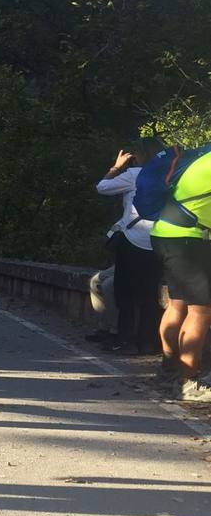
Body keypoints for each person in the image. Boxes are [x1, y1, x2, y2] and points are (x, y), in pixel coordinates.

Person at [149, 149, 211, 402]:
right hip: (187, 239)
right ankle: (188, 382)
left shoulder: (203, 158)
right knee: (201, 310)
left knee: (177, 304)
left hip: (165, 232)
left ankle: (168, 371)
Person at [95, 140, 163, 356]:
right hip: (157, 241)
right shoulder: (169, 175)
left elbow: (102, 187)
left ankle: (125, 341)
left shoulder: (134, 174)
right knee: (149, 295)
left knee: (125, 294)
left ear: (139, 156)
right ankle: (148, 342)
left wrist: (115, 168)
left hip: (132, 240)